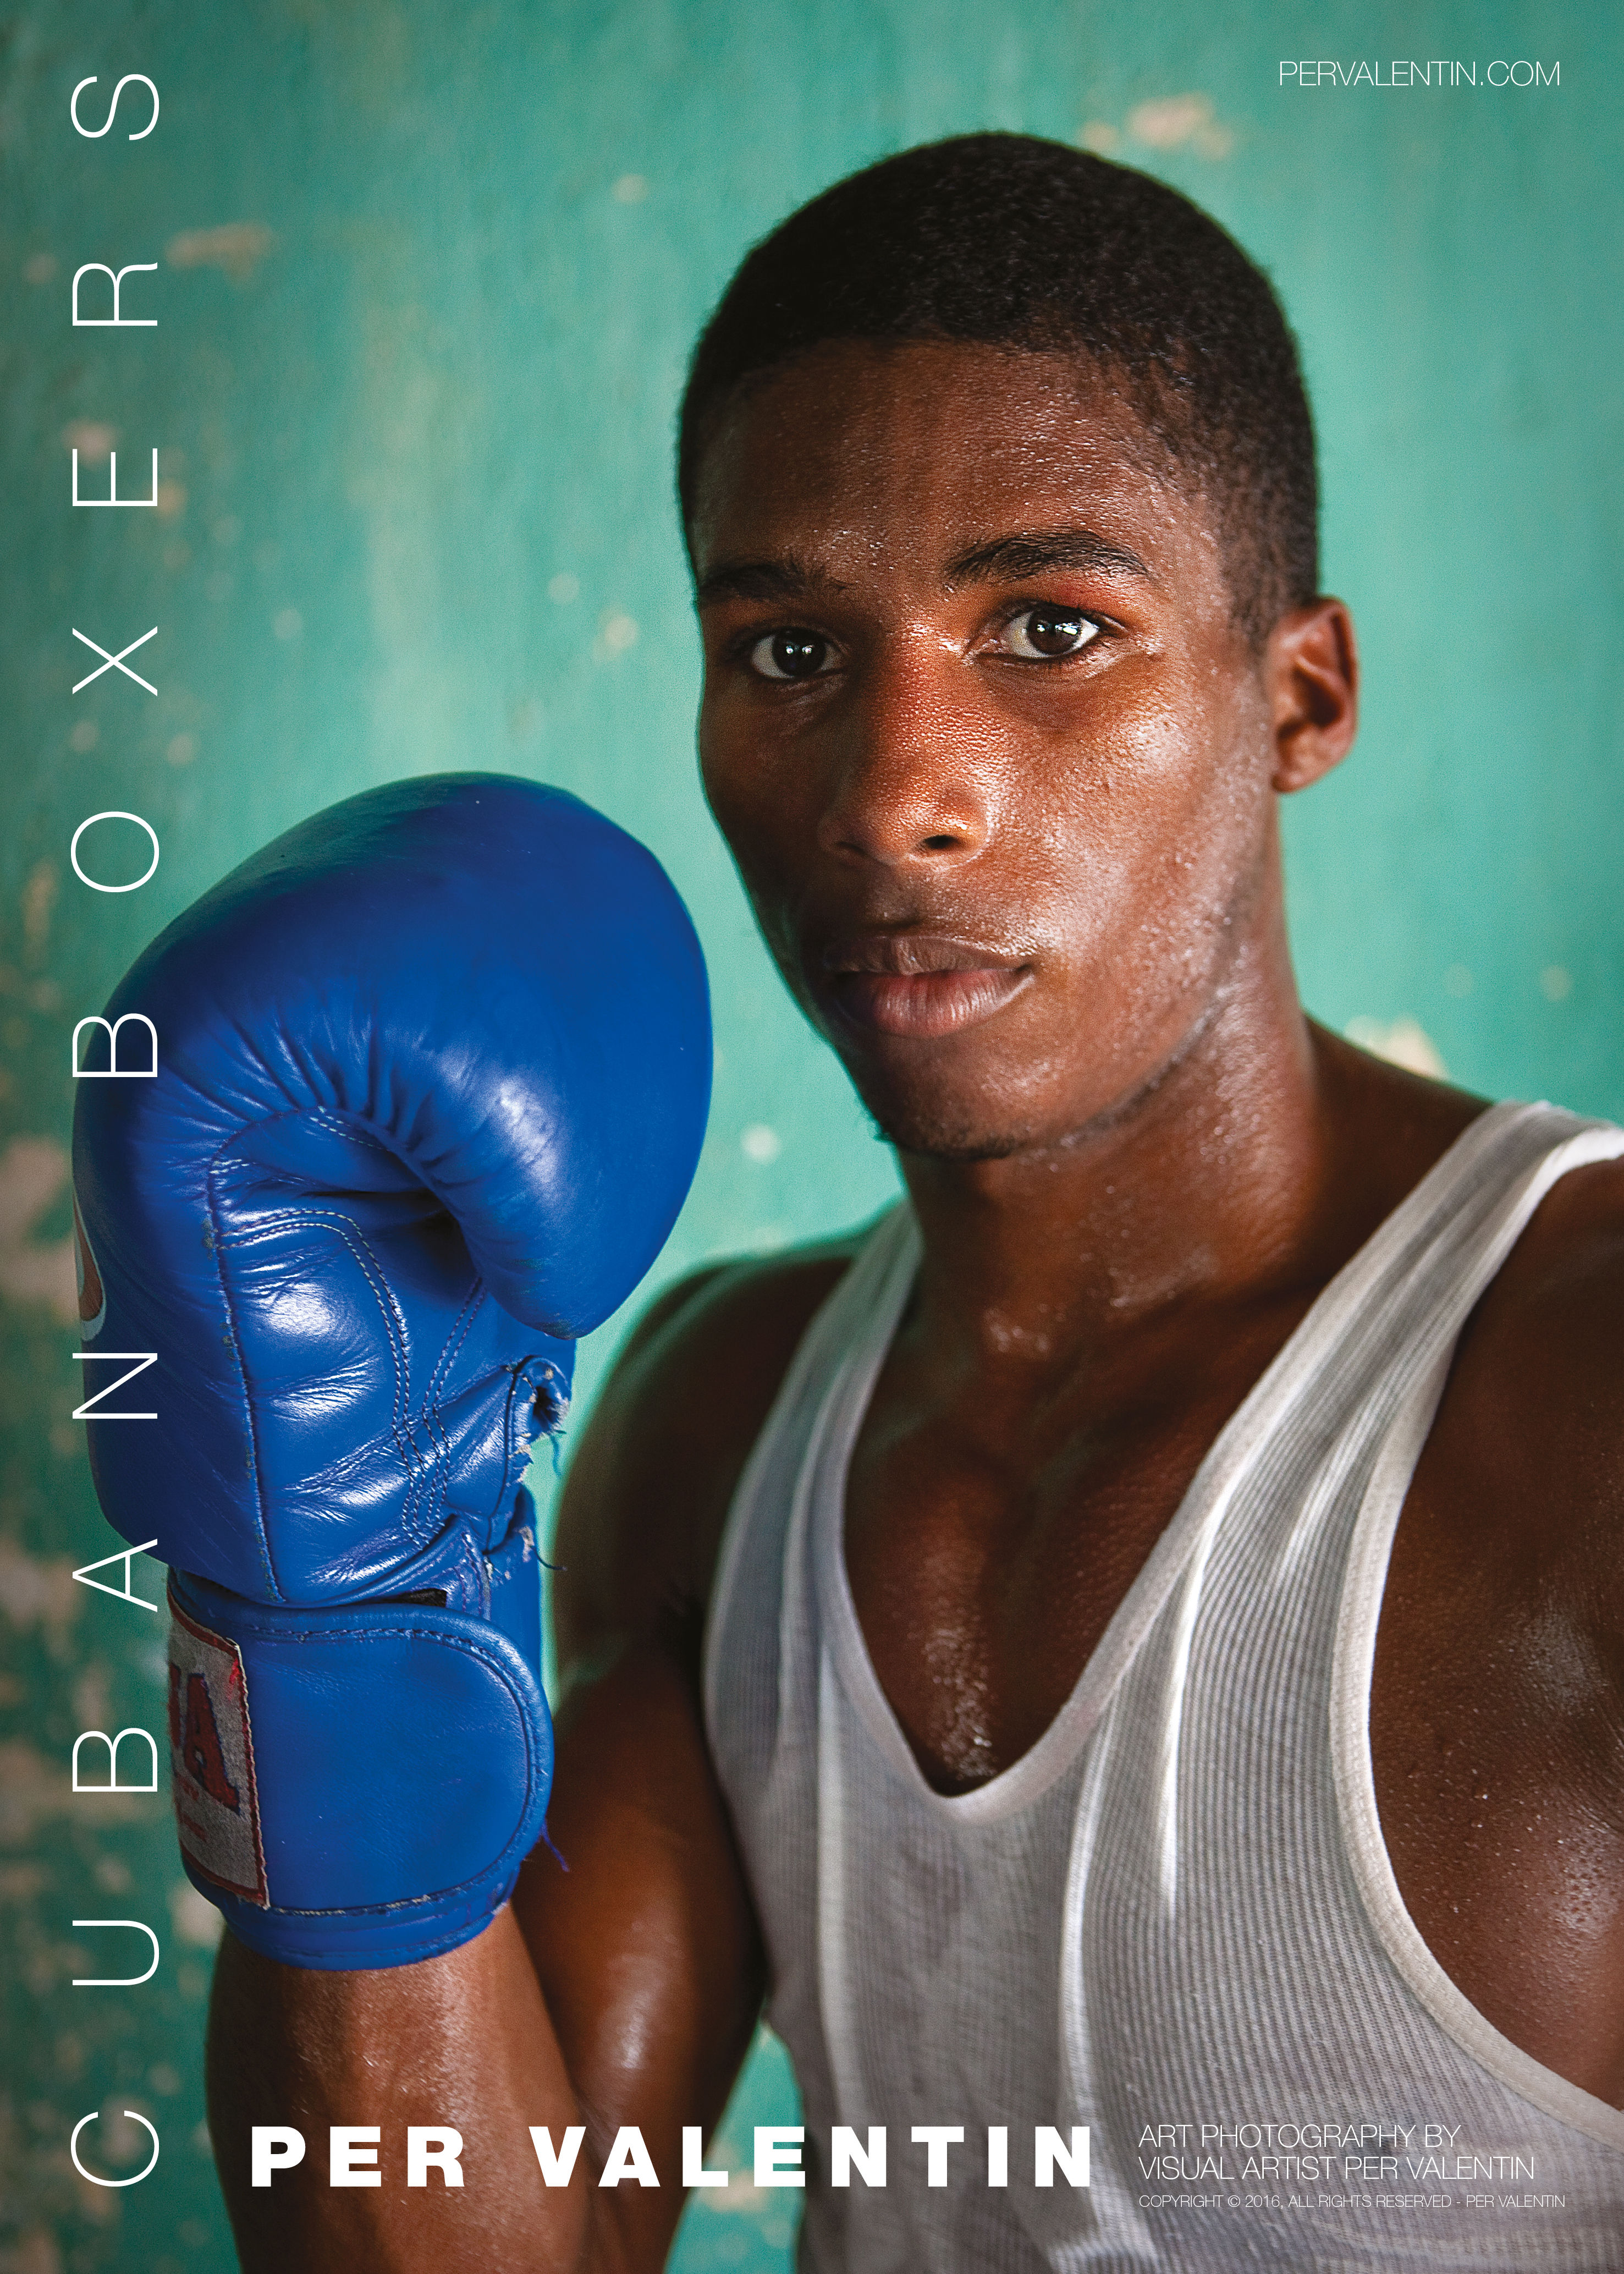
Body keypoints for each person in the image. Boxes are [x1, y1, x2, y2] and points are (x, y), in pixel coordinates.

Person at [185, 135, 1624, 2266]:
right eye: (785, 651)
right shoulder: (711, 1425)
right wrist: (315, 1607)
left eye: (1048, 624)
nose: (890, 795)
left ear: (1295, 692)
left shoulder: (1575, 1394)